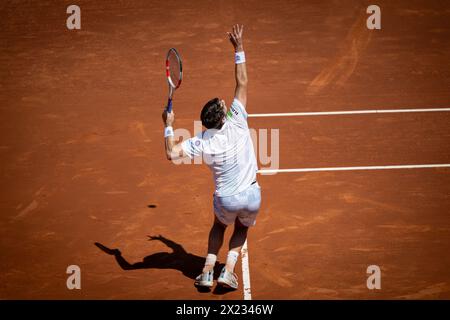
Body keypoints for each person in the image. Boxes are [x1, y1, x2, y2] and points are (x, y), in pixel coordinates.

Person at [161, 24, 261, 290]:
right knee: (241, 228)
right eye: (222, 104)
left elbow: (171, 153)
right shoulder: (237, 119)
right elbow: (242, 82)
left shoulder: (201, 141)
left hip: (225, 200)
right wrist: (238, 48)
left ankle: (207, 272)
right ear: (223, 115)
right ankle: (227, 270)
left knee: (219, 226)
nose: (225, 103)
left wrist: (168, 124)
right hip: (252, 196)